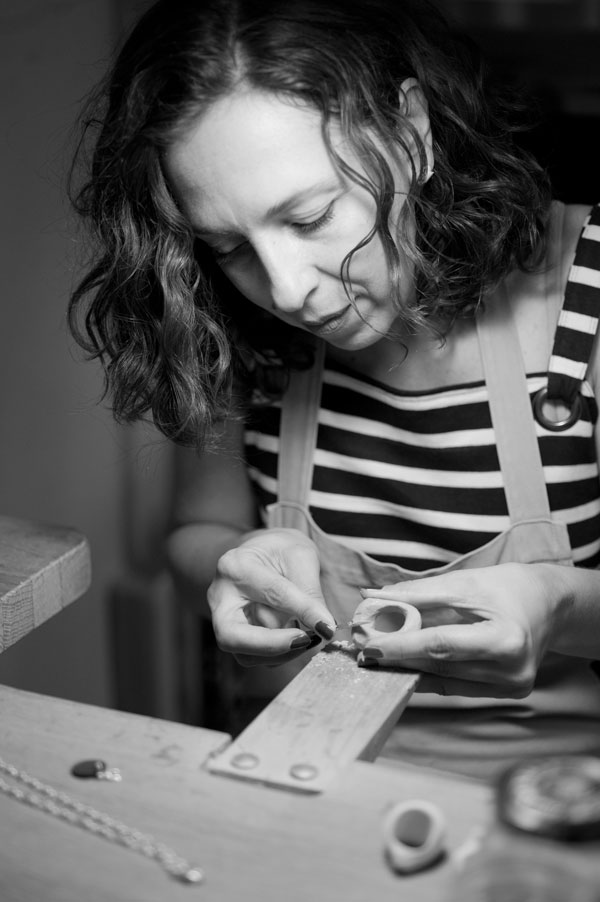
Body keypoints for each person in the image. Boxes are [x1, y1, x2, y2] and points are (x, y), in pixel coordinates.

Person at [68, 0, 600, 781]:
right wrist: (232, 563)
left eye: (311, 217)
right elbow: (195, 529)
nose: (286, 292)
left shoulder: (587, 296)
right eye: (227, 247)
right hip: (298, 775)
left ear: (411, 134)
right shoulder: (232, 326)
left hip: (549, 802)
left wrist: (560, 603)